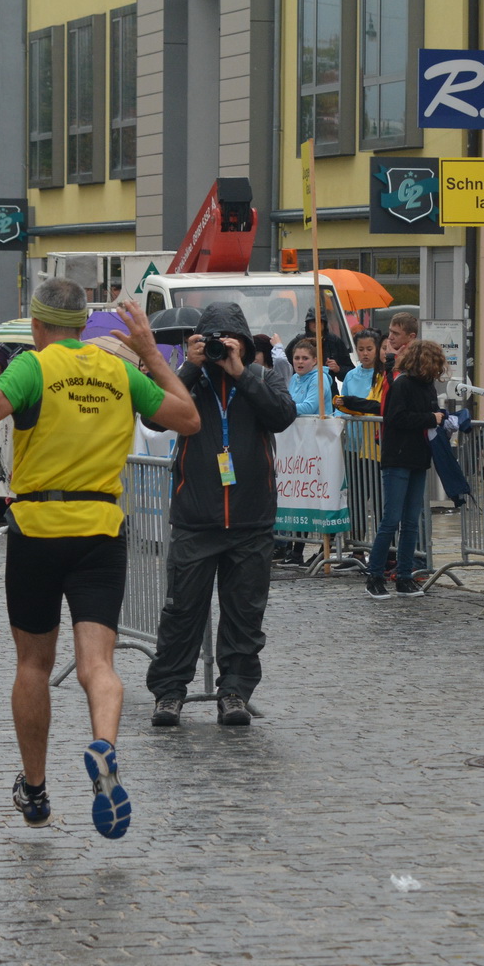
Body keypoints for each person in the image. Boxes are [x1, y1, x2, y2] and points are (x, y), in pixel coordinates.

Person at [0, 281, 200, 837]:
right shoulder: (119, 371)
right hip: (101, 531)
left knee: (34, 665)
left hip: (38, 529)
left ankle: (36, 791)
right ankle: (104, 749)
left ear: (38, 326)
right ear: (85, 322)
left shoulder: (33, 368)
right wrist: (155, 356)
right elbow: (188, 419)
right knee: (98, 667)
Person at [147, 302, 297, 728]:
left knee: (244, 617)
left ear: (246, 345)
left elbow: (283, 416)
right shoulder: (189, 384)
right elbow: (154, 416)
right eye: (211, 343)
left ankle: (234, 692)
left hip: (251, 520)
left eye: (230, 343)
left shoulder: (262, 377)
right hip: (197, 517)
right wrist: (190, 369)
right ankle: (169, 693)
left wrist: (239, 372)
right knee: (181, 614)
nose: (219, 349)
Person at [364, 339, 446, 599]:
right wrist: (430, 418)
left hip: (418, 458)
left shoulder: (427, 386)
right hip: (398, 457)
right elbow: (395, 418)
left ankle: (404, 576)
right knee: (391, 519)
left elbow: (426, 414)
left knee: (410, 521)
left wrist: (440, 417)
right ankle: (374, 575)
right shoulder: (403, 385)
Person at [287, 308, 351, 380]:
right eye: (313, 321)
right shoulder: (298, 342)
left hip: (328, 388)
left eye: (320, 321)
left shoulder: (334, 341)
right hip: (303, 387)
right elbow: (285, 368)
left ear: (324, 323)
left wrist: (338, 369)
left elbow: (351, 373)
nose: (316, 323)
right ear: (308, 323)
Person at [334, 329, 383, 417]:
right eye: (361, 349)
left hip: (374, 428)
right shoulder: (350, 376)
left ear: (377, 349)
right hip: (353, 428)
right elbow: (341, 403)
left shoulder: (383, 375)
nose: (365, 353)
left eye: (369, 349)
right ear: (356, 350)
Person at [285, 337, 329, 416]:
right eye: (297, 358)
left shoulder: (319, 378)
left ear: (314, 361)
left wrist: (282, 407)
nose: (300, 362)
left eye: (305, 358)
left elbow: (309, 408)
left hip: (318, 427)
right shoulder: (294, 377)